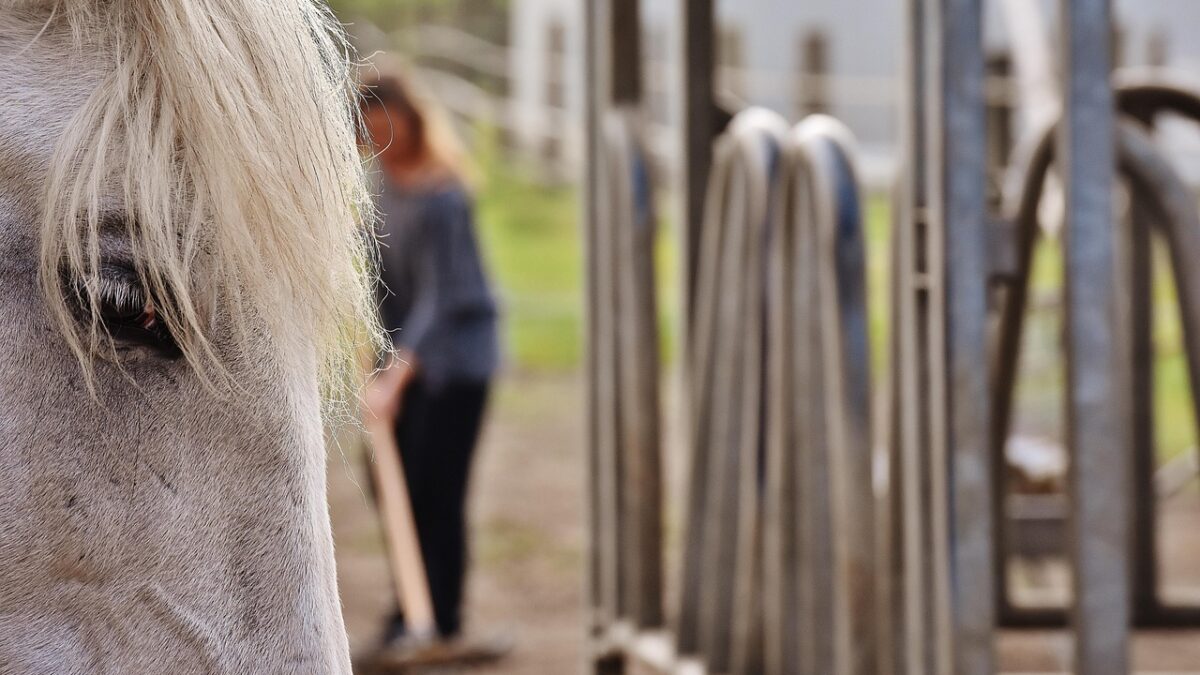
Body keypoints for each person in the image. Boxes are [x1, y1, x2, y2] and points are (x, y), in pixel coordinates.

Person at [358, 64, 503, 663]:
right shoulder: (379, 190)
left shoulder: (445, 196)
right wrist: (373, 359)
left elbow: (445, 300)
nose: (381, 145)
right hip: (402, 363)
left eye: (388, 129)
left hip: (456, 364)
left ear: (412, 123)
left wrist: (398, 374)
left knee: (436, 491)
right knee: (390, 487)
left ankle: (441, 622)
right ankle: (408, 613)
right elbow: (375, 284)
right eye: (370, 134)